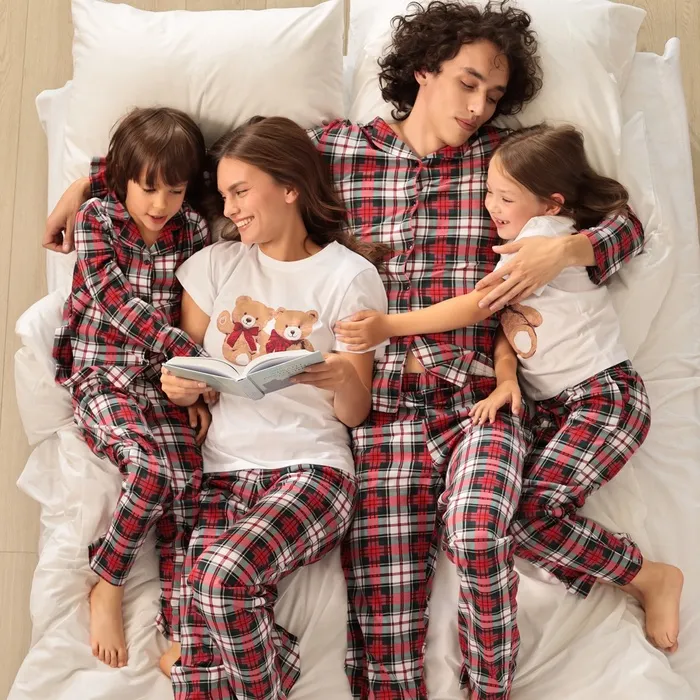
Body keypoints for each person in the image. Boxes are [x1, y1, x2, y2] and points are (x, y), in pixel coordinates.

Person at [42, 3, 648, 698]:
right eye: (468, 83)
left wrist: (566, 251)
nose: (479, 106)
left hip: (474, 398)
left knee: (480, 537)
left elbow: (624, 223)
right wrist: (90, 183)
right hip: (378, 418)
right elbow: (203, 167)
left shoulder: (503, 164)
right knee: (385, 645)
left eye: (494, 94)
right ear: (424, 71)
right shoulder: (331, 150)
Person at [335, 122, 684, 655]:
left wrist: (388, 326)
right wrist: (503, 377)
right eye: (488, 193)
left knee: (525, 518)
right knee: (515, 520)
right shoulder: (525, 238)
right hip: (554, 409)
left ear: (550, 203)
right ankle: (639, 575)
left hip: (604, 398)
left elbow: (480, 306)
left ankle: (647, 576)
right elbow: (505, 326)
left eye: (504, 197)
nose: (490, 207)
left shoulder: (541, 238)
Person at [158, 116, 389, 700]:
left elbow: (354, 413)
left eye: (240, 192)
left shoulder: (348, 277)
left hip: (312, 472)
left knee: (220, 581)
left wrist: (342, 375)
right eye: (225, 195)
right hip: (221, 474)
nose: (230, 209)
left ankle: (275, 668)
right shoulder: (216, 265)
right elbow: (187, 368)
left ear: (289, 186)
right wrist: (181, 387)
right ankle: (274, 667)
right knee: (196, 673)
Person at [52, 107, 212, 669]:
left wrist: (197, 383)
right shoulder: (97, 218)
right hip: (100, 374)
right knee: (147, 471)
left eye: (175, 190)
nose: (160, 204)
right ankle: (108, 581)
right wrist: (190, 355)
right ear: (121, 180)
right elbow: (117, 305)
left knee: (188, 484)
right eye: (148, 189)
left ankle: (181, 630)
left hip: (159, 382)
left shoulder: (193, 231)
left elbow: (192, 304)